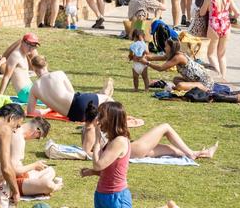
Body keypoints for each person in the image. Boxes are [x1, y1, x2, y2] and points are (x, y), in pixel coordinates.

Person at [81, 104, 216, 163]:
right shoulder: (91, 129)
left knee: (172, 151)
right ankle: (192, 154)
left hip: (132, 150)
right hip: (134, 149)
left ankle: (201, 153)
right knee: (165, 127)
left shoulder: (92, 128)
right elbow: (87, 152)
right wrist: (108, 155)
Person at [80, 102, 132, 208]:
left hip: (116, 197)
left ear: (112, 119)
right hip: (103, 194)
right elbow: (111, 170)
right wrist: (93, 172)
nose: (98, 120)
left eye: (101, 116)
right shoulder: (112, 140)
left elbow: (98, 165)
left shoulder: (120, 141)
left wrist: (97, 141)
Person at [27, 64, 115, 120]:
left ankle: (101, 94)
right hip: (78, 101)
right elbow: (72, 92)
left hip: (75, 116)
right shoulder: (58, 73)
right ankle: (104, 95)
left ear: (34, 70)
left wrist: (45, 110)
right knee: (108, 99)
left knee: (96, 106)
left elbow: (30, 112)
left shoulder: (34, 88)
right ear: (46, 65)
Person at [201, 0, 237, 79]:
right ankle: (224, 77)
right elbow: (237, 13)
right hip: (226, 25)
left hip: (214, 25)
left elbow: (202, 13)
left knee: (211, 54)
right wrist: (228, 17)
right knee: (221, 55)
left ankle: (218, 76)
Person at [144, 38, 213, 91]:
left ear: (171, 47)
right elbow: (158, 57)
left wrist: (147, 63)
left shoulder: (178, 57)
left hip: (205, 83)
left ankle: (204, 89)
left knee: (180, 85)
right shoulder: (174, 54)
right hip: (195, 80)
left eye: (166, 46)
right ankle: (171, 86)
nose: (164, 48)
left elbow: (161, 68)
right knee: (176, 79)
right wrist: (144, 57)